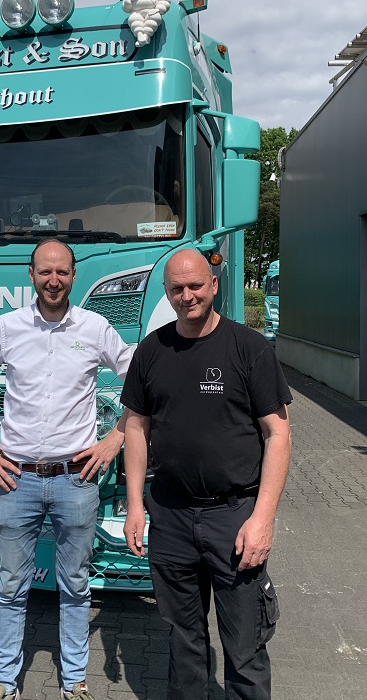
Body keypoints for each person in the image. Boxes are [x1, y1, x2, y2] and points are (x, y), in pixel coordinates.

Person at [0, 238, 132, 700]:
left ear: (74, 276)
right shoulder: (8, 327)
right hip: (16, 480)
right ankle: (5, 681)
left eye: (62, 272)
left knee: (75, 585)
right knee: (11, 586)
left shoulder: (95, 328)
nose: (54, 280)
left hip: (77, 479)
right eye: (45, 272)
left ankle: (74, 681)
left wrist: (116, 438)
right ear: (30, 275)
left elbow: (140, 381)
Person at [121, 249, 292, 700]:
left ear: (214, 285)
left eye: (196, 285)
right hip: (171, 516)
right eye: (177, 288)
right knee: (183, 641)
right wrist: (135, 504)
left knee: (245, 647)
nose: (187, 295)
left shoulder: (248, 348)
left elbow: (278, 434)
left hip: (234, 517)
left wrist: (263, 519)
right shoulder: (152, 350)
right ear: (166, 292)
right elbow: (136, 428)